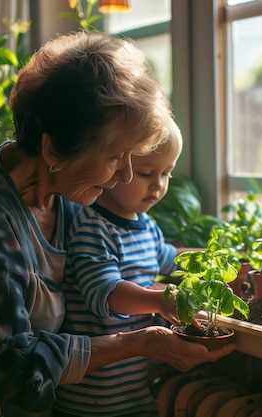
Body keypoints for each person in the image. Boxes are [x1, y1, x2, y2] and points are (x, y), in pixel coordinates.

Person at [0, 32, 233, 417]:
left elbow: (130, 251)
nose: (126, 175)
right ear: (53, 149)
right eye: (115, 157)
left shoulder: (67, 195)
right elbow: (8, 370)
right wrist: (142, 343)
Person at [54, 118, 183, 417]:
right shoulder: (93, 228)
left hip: (137, 389)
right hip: (94, 396)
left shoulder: (146, 226)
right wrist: (158, 301)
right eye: (147, 173)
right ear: (115, 169)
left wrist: (216, 260)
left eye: (167, 173)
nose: (159, 184)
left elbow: (170, 258)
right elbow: (106, 294)